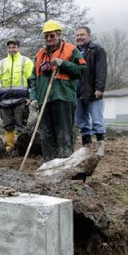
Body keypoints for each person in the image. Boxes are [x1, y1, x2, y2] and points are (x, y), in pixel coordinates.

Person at [29, 20, 86, 162]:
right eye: (46, 36)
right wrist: (33, 97)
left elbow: (81, 70)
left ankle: (66, 163)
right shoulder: (40, 54)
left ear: (59, 35)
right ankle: (49, 165)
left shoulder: (71, 50)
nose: (49, 39)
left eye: (52, 35)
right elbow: (33, 79)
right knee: (46, 136)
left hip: (63, 98)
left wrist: (64, 64)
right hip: (44, 100)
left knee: (64, 134)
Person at [0, 39, 34, 153]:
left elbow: (31, 80)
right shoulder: (1, 63)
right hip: (4, 101)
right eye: (9, 47)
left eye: (14, 47)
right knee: (7, 125)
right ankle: (9, 147)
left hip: (21, 100)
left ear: (18, 48)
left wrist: (30, 97)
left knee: (21, 126)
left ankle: (22, 149)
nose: (11, 49)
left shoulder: (26, 61)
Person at [75, 26, 108, 157]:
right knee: (82, 122)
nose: (79, 37)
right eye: (77, 35)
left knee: (97, 120)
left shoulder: (97, 50)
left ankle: (100, 146)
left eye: (82, 35)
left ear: (89, 36)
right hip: (78, 92)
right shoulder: (74, 52)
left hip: (93, 92)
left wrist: (99, 88)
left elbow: (101, 70)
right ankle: (87, 148)